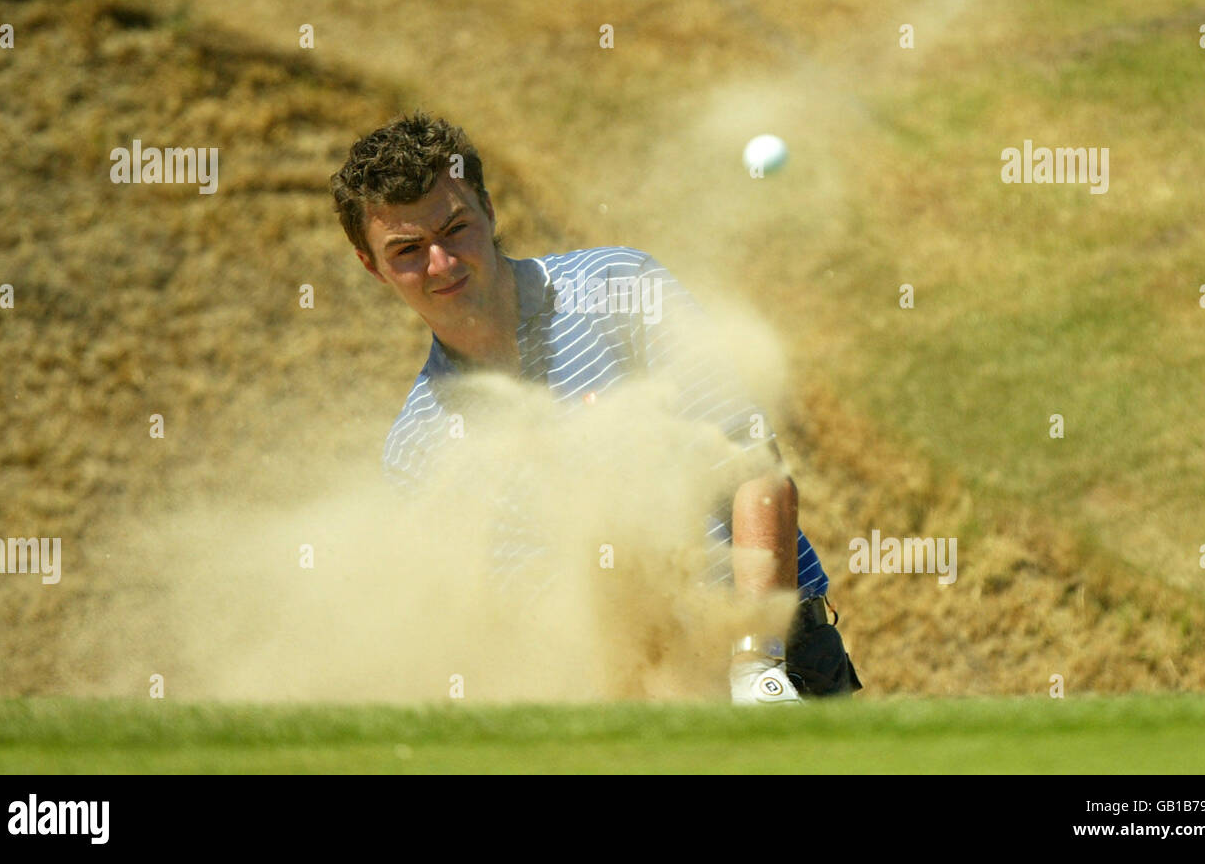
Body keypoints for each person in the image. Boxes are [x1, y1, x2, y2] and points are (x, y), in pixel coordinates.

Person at [329, 111, 860, 703]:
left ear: (488, 208)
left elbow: (754, 472)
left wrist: (755, 665)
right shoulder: (418, 447)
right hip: (627, 711)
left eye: (455, 229)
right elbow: (506, 618)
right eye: (407, 249)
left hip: (781, 668)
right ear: (370, 265)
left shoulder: (618, 287)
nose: (442, 264)